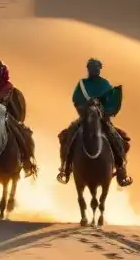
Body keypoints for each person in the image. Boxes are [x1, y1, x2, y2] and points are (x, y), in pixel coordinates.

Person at [56, 58, 132, 187]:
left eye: (96, 69)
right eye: (91, 68)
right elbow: (76, 100)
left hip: (102, 119)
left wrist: (102, 111)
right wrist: (84, 109)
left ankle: (121, 171)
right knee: (66, 136)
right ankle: (65, 169)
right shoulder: (82, 84)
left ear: (99, 70)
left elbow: (110, 101)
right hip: (84, 118)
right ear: (88, 69)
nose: (93, 71)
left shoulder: (105, 84)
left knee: (119, 139)